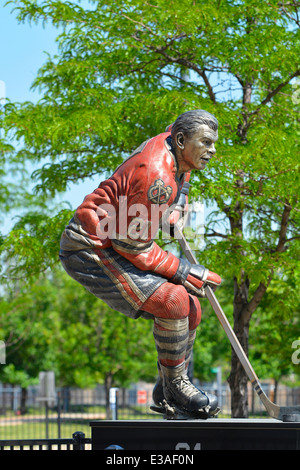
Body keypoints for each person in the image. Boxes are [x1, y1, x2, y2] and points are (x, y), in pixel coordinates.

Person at [59, 109, 221, 417]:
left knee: (193, 310)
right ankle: (176, 388)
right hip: (92, 246)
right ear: (182, 140)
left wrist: (177, 209)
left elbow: (182, 178)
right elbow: (130, 244)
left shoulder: (177, 145)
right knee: (174, 302)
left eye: (214, 142)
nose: (213, 150)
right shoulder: (156, 177)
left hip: (117, 238)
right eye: (207, 142)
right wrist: (183, 270)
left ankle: (167, 388)